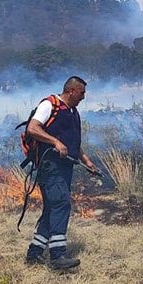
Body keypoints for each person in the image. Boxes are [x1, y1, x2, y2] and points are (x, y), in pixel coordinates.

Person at [23, 75, 98, 270]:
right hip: (50, 166)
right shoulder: (50, 104)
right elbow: (32, 128)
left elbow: (72, 142)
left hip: (65, 167)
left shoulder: (73, 112)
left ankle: (34, 253)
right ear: (72, 91)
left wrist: (86, 160)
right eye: (81, 93)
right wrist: (55, 142)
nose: (83, 97)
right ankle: (57, 256)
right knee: (61, 204)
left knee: (51, 209)